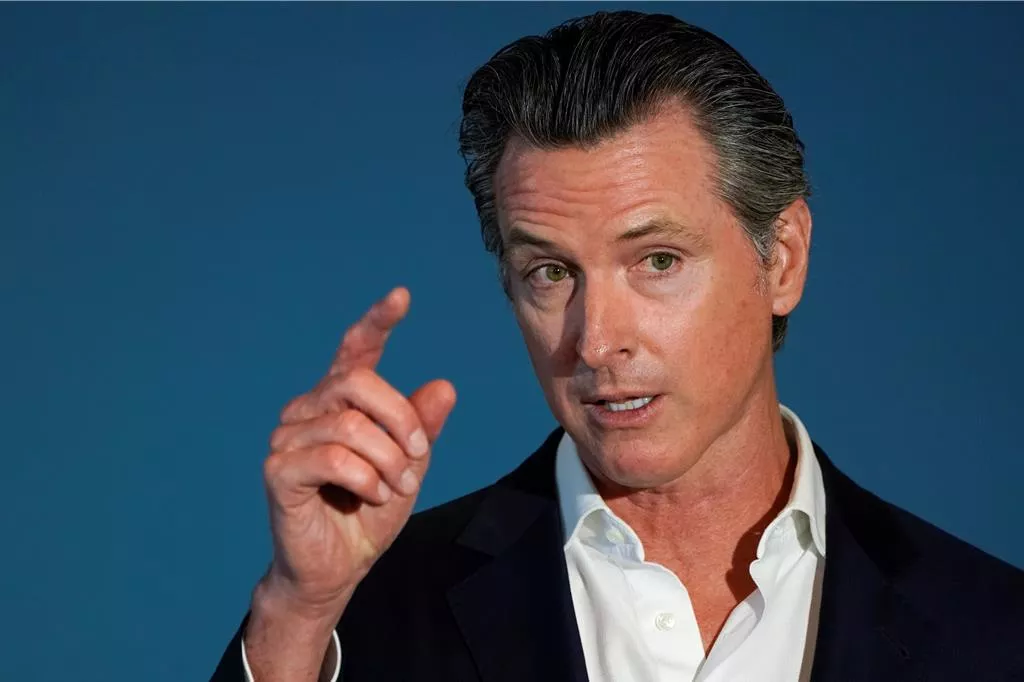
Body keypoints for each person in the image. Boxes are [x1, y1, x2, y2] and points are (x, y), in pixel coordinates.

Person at [211, 10, 1023, 682]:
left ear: (782, 259)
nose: (595, 340)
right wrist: (296, 615)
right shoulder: (359, 617)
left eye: (658, 261)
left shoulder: (993, 628)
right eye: (551, 272)